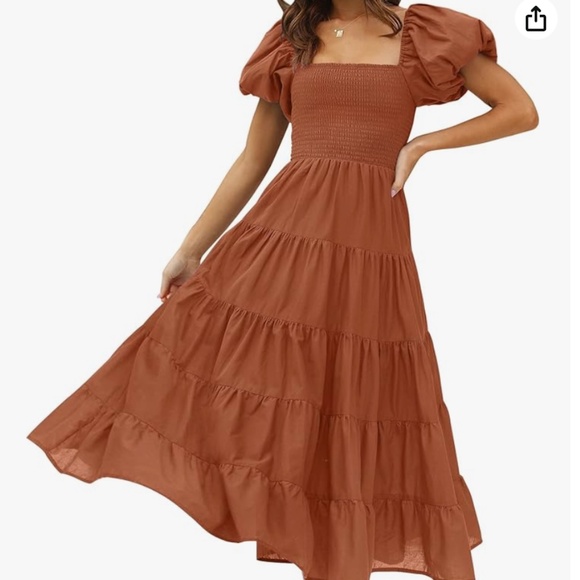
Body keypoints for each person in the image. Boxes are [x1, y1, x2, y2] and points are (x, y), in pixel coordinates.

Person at [27, 1, 538, 580]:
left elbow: (520, 110)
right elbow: (253, 159)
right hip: (285, 240)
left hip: (370, 250)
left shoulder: (422, 35)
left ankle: (337, 557)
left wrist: (421, 145)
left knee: (357, 397)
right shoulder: (292, 40)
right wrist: (191, 249)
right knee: (280, 385)